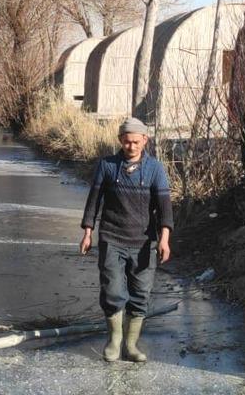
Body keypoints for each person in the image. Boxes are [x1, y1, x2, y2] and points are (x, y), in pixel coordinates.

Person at [79, 117, 173, 362]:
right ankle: (114, 341)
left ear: (145, 140)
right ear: (120, 140)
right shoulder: (107, 166)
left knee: (140, 293)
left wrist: (164, 239)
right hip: (112, 237)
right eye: (126, 141)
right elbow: (94, 200)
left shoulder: (155, 169)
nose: (131, 146)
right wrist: (88, 232)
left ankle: (131, 346)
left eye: (135, 142)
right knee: (113, 291)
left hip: (144, 242)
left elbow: (164, 207)